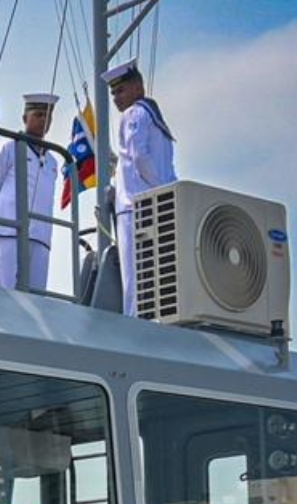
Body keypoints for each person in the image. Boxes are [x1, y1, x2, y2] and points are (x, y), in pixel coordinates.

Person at [105, 60, 176, 316]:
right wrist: (168, 190)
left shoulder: (136, 113)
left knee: (138, 277)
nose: (116, 98)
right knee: (146, 276)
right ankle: (139, 324)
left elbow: (140, 157)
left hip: (139, 204)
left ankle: (136, 323)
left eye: (120, 91)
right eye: (113, 94)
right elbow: (143, 159)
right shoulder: (150, 116)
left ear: (138, 87)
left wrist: (164, 190)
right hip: (149, 202)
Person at [0, 93, 61, 290]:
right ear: (25, 118)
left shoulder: (52, 161)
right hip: (9, 230)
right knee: (4, 291)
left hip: (40, 235)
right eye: (38, 115)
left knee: (36, 296)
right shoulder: (9, 147)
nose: (43, 121)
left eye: (47, 117)